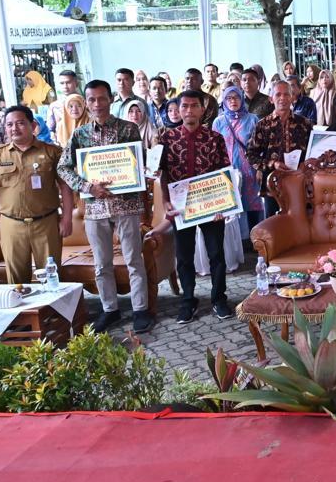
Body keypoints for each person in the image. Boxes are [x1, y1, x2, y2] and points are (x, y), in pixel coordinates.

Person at [57, 80, 153, 333]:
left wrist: (132, 177)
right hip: (95, 208)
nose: (97, 104)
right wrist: (88, 187)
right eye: (92, 99)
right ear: (86, 103)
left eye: (102, 98)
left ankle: (140, 309)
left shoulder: (129, 129)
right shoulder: (80, 135)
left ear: (110, 99)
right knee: (102, 264)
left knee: (133, 259)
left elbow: (138, 163)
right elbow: (62, 167)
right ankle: (110, 309)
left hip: (126, 206)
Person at [0, 105, 74, 284]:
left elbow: (65, 186)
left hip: (46, 223)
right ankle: (23, 313)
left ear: (33, 125)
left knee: (52, 277)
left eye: (20, 123)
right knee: (17, 280)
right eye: (9, 125)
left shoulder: (52, 152)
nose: (14, 128)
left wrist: (67, 218)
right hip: (12, 224)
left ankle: (54, 312)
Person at [158, 90, 233, 323]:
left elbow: (224, 173)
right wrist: (164, 201)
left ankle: (219, 297)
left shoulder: (214, 139)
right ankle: (188, 299)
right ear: (178, 110)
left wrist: (225, 205)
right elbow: (160, 173)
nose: (189, 111)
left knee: (216, 254)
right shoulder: (166, 139)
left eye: (194, 106)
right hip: (181, 208)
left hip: (211, 206)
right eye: (184, 106)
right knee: (184, 255)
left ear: (203, 109)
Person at [247, 81, 312, 218]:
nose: (282, 98)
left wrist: (304, 165)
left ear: (293, 97)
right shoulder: (262, 125)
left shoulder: (304, 124)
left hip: (299, 183)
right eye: (278, 94)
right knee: (273, 227)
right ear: (271, 99)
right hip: (272, 186)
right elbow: (251, 154)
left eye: (286, 94)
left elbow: (313, 152)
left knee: (299, 224)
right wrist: (272, 164)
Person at [211, 86, 263, 233]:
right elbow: (214, 150)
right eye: (229, 98)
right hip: (228, 170)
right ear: (224, 101)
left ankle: (255, 239)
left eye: (236, 97)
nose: (233, 101)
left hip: (250, 170)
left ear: (242, 99)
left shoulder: (253, 119)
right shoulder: (218, 122)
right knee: (231, 205)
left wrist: (259, 169)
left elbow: (260, 147)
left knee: (252, 204)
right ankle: (237, 242)